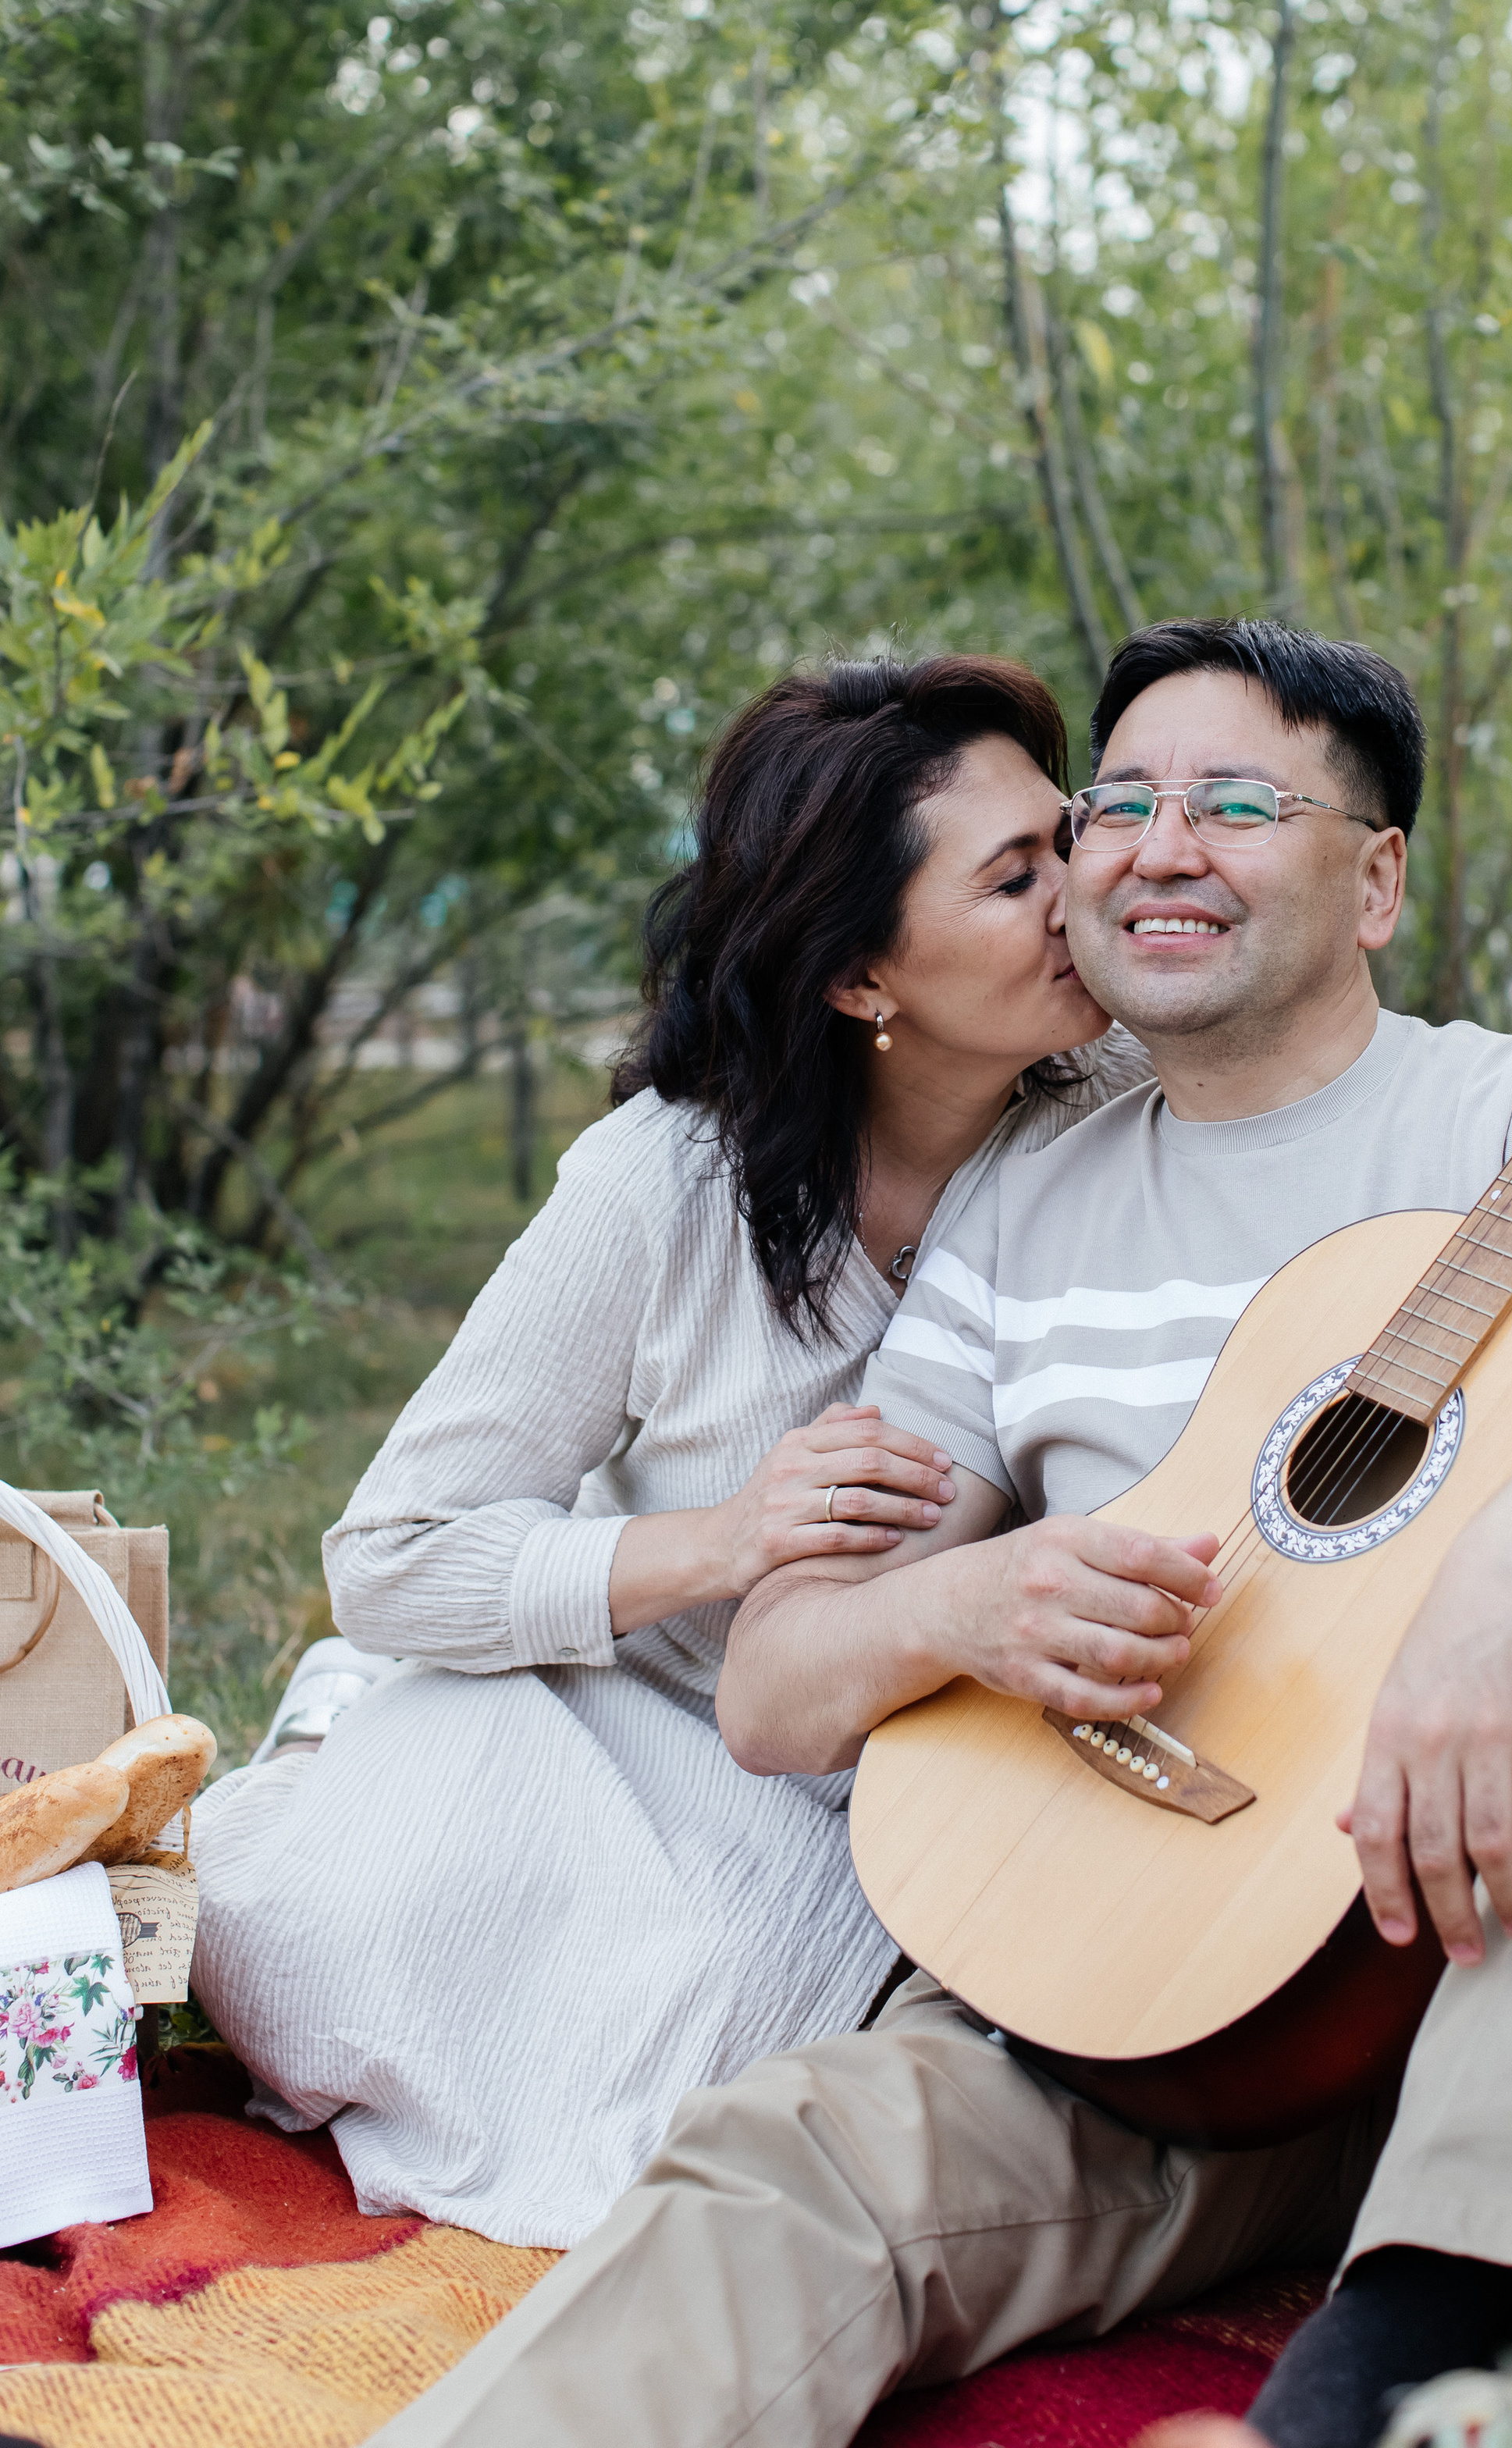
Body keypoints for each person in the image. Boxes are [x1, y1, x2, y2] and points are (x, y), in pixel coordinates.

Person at [369, 617, 1512, 2448]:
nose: (1160, 844)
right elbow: (776, 1687)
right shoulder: (1020, 1196)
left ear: (1373, 877)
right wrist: (970, 1602)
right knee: (788, 2157)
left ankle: (1404, 2349)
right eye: (1117, 803)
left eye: (1238, 802)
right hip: (1148, 2029)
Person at [189, 654, 1150, 2247]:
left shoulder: (1126, 1115)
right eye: (1012, 876)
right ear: (861, 978)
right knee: (293, 1930)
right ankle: (334, 1757)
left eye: (1070, 838)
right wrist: (722, 1539)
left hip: (917, 1762)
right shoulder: (665, 1186)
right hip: (623, 1712)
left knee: (762, 2058)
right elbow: (390, 1556)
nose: (1083, 891)